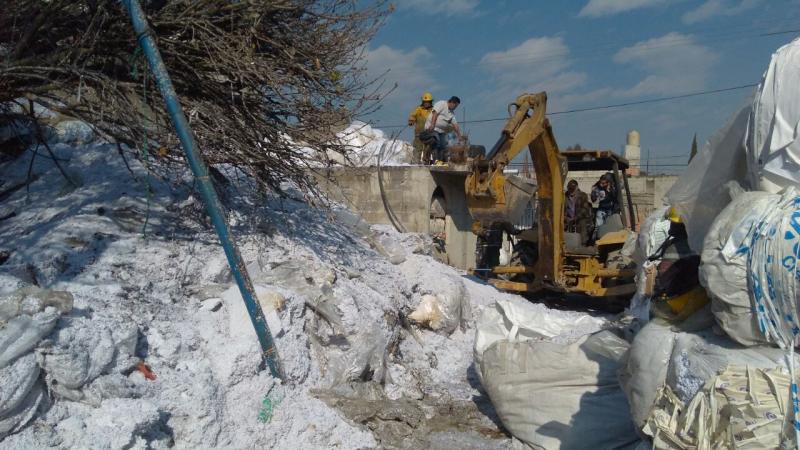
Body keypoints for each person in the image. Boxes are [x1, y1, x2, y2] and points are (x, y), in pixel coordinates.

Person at [424, 96, 462, 164]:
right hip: (433, 128)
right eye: (455, 106)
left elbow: (455, 125)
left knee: (443, 145)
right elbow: (435, 114)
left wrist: (459, 135)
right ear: (452, 102)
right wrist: (432, 125)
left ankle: (440, 161)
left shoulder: (451, 113)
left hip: (441, 131)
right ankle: (433, 160)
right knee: (436, 143)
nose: (455, 108)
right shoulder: (442, 104)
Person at [407, 92, 434, 164]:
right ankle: (415, 161)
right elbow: (412, 115)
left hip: (429, 133)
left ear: (430, 102)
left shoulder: (433, 110)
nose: (426, 103)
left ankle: (426, 161)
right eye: (425, 102)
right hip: (419, 132)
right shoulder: (418, 109)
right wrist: (411, 120)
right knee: (417, 147)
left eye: (428, 102)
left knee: (428, 148)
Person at [590, 173, 619, 240]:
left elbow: (616, 197)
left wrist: (610, 190)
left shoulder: (612, 188)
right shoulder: (598, 188)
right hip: (602, 209)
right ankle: (594, 241)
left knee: (609, 227)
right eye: (601, 183)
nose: (602, 185)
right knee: (598, 226)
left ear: (608, 183)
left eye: (604, 183)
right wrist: (594, 192)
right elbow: (593, 200)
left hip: (611, 210)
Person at [564, 179, 592, 245]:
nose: (571, 191)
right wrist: (565, 217)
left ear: (576, 187)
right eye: (569, 188)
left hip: (580, 217)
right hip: (568, 218)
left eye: (573, 189)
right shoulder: (564, 196)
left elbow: (584, 209)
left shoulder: (583, 195)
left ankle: (583, 243)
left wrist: (575, 218)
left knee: (582, 224)